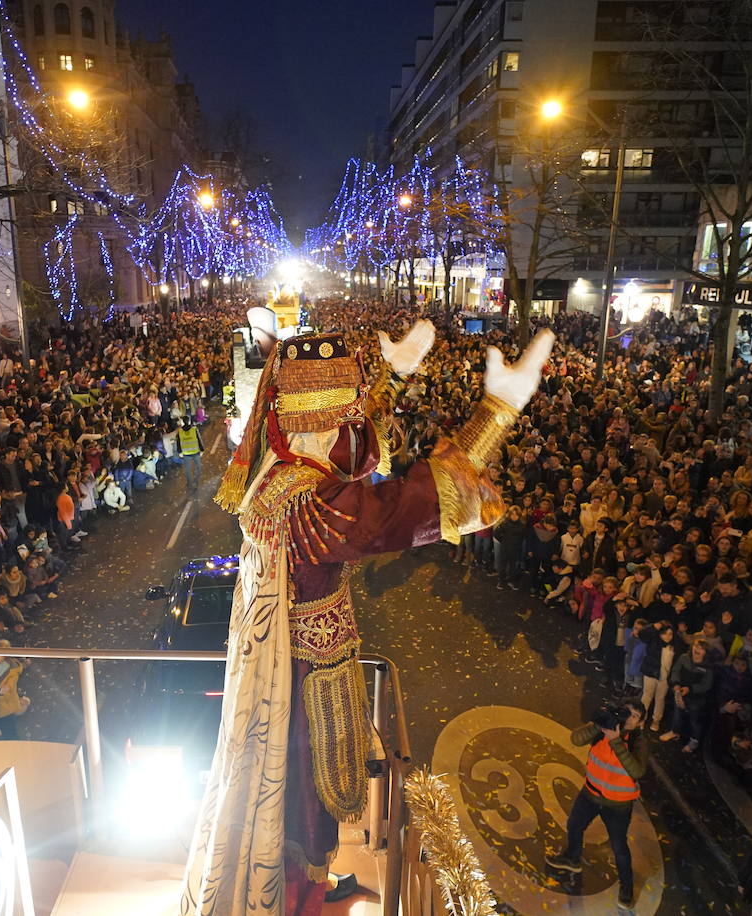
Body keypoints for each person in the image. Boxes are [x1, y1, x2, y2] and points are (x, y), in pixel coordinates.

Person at [181, 322, 554, 914]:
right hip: (304, 684)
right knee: (303, 804)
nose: (355, 433)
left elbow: (344, 437)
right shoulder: (310, 508)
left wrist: (391, 375)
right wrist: (496, 413)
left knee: (289, 805)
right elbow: (405, 508)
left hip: (282, 667)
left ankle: (303, 884)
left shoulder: (273, 472)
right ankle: (293, 897)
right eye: (345, 421)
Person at [544, 699, 648, 908]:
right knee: (574, 825)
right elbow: (576, 739)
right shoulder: (605, 728)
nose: (630, 717)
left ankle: (626, 887)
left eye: (636, 716)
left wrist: (616, 741)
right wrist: (598, 725)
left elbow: (637, 771)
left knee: (619, 847)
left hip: (617, 805)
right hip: (590, 794)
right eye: (628, 712)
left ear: (640, 723)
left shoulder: (638, 741)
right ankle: (572, 858)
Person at [177, 417, 204, 491]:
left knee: (187, 470)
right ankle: (195, 481)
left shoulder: (180, 431)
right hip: (195, 452)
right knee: (198, 468)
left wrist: (179, 452)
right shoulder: (194, 429)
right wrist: (202, 449)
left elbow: (178, 442)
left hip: (186, 454)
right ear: (189, 421)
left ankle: (189, 483)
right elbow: (199, 439)